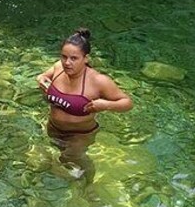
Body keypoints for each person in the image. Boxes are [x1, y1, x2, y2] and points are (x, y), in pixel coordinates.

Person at [36, 28, 133, 181]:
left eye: (74, 58)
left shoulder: (98, 81)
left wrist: (105, 105)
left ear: (85, 58)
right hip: (53, 127)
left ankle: (90, 188)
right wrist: (41, 78)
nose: (67, 63)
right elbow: (43, 76)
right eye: (64, 57)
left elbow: (127, 103)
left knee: (73, 157)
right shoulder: (58, 67)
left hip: (80, 134)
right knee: (57, 155)